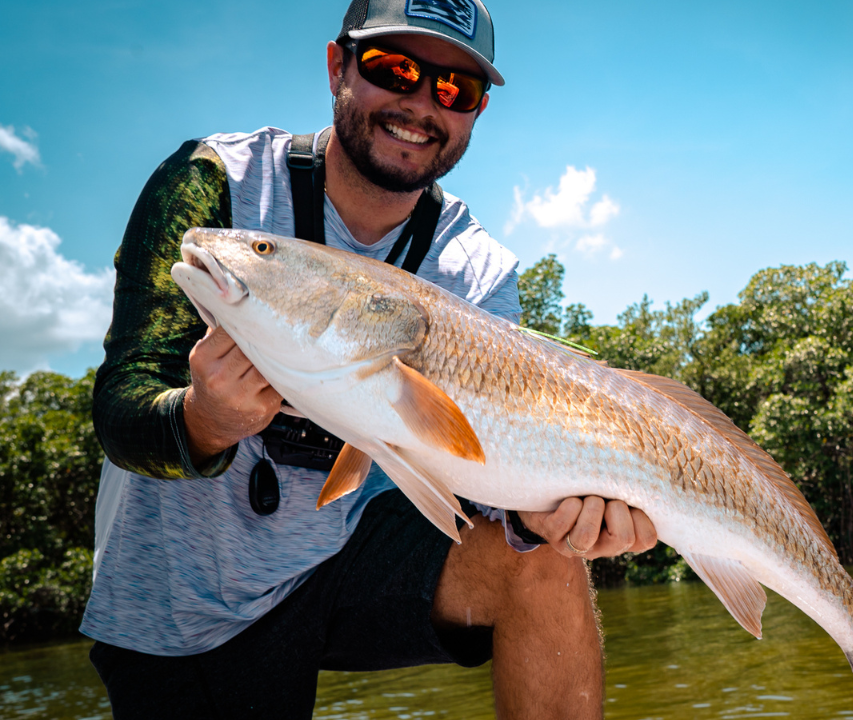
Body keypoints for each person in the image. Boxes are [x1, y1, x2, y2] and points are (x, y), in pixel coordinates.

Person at [82, 1, 657, 717]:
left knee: (541, 562)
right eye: (395, 69)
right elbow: (120, 406)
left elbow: (482, 476)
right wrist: (202, 420)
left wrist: (549, 518)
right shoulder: (213, 189)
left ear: (477, 113)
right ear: (336, 67)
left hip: (345, 555)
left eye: (456, 89)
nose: (420, 105)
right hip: (182, 600)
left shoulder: (474, 267)